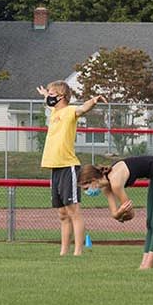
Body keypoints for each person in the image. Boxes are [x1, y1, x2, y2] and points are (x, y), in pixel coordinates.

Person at [37, 81, 104, 256]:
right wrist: (46, 93)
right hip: (55, 167)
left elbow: (83, 109)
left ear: (61, 96)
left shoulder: (69, 111)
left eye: (53, 94)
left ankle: (78, 252)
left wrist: (94, 100)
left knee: (73, 210)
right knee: (62, 213)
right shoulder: (54, 111)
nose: (49, 97)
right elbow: (48, 100)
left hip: (68, 166)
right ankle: (63, 252)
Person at [79, 154, 153, 270]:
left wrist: (120, 213)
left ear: (93, 180)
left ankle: (149, 265)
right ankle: (144, 264)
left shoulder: (115, 182)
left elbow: (131, 214)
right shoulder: (106, 187)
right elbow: (114, 213)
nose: (87, 192)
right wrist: (119, 213)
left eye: (86, 188)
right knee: (150, 223)